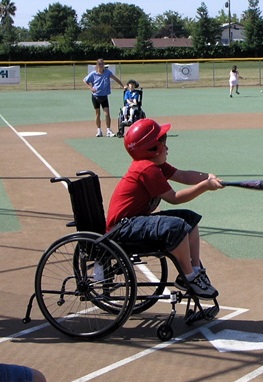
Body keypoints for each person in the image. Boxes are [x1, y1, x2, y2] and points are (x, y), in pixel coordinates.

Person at [105, 118, 222, 298]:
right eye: (163, 143)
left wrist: (207, 176)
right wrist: (205, 186)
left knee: (189, 219)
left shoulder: (155, 165)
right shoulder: (147, 169)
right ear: (152, 149)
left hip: (135, 222)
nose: (166, 148)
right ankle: (188, 276)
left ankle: (196, 270)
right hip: (123, 228)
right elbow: (174, 198)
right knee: (176, 227)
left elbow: (182, 175)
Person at [83, 58, 125, 138]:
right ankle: (99, 130)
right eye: (100, 64)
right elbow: (85, 80)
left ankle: (108, 130)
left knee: (107, 113)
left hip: (104, 95)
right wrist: (91, 88)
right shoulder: (93, 74)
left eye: (103, 64)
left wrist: (123, 85)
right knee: (98, 113)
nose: (102, 66)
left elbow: (115, 78)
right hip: (95, 96)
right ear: (97, 65)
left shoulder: (107, 72)